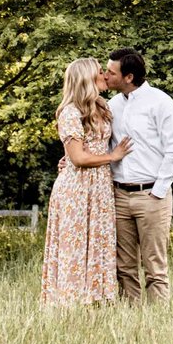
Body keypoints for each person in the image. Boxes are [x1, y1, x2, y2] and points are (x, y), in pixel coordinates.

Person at [38, 57, 130, 308]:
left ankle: (96, 300)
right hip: (77, 188)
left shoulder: (101, 106)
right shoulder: (70, 112)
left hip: (100, 186)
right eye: (99, 72)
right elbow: (78, 158)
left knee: (99, 240)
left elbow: (81, 149)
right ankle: (70, 302)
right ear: (87, 79)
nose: (104, 75)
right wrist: (112, 156)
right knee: (75, 244)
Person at [98, 47, 173, 304]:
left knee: (154, 265)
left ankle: (159, 320)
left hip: (151, 195)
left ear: (129, 77)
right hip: (119, 195)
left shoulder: (161, 103)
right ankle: (130, 316)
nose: (105, 76)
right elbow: (99, 144)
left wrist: (158, 191)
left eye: (111, 72)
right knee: (123, 265)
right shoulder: (111, 106)